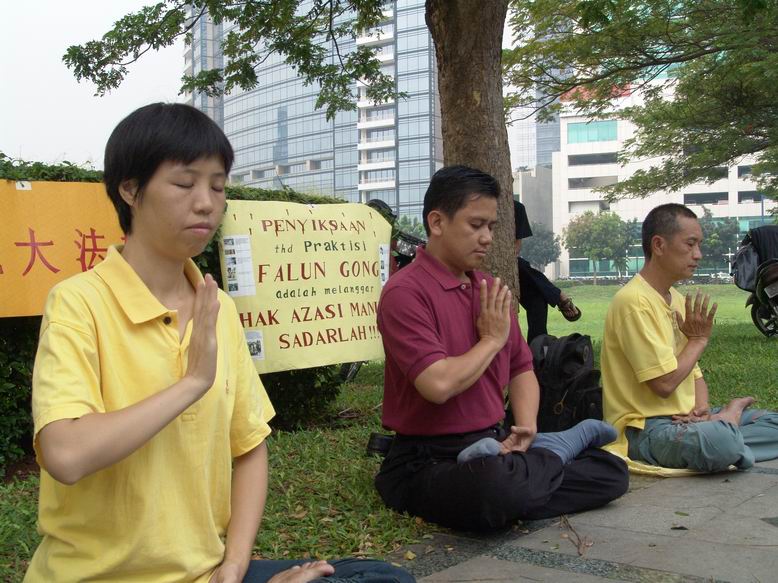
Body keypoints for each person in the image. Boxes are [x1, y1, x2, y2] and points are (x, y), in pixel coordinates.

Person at [25, 103, 414, 583]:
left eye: (218, 186)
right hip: (99, 576)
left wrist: (234, 565)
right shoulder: (79, 302)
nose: (207, 203)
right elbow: (65, 455)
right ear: (130, 189)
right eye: (184, 183)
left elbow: (249, 447)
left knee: (381, 578)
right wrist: (192, 382)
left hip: (207, 573)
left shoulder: (217, 308)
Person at [374, 165, 628, 532]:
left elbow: (521, 368)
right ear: (437, 222)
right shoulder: (405, 293)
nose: (487, 238)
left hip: (495, 443)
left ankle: (531, 458)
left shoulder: (488, 290)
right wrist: (491, 340)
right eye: (476, 225)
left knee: (612, 473)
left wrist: (526, 426)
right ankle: (551, 454)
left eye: (491, 227)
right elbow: (437, 385)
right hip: (427, 459)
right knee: (493, 491)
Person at [601, 203, 778, 474]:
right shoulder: (633, 302)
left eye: (699, 245)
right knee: (719, 442)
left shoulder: (677, 300)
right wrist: (698, 341)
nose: (698, 254)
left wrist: (702, 408)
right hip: (646, 429)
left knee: (772, 422)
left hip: (688, 421)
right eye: (690, 244)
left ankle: (724, 430)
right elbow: (663, 384)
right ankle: (727, 427)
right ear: (659, 245)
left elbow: (694, 373)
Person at [514, 200, 580, 343]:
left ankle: (537, 349)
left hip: (513, 263)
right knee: (522, 265)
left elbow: (516, 246)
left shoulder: (515, 208)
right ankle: (558, 294)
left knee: (538, 297)